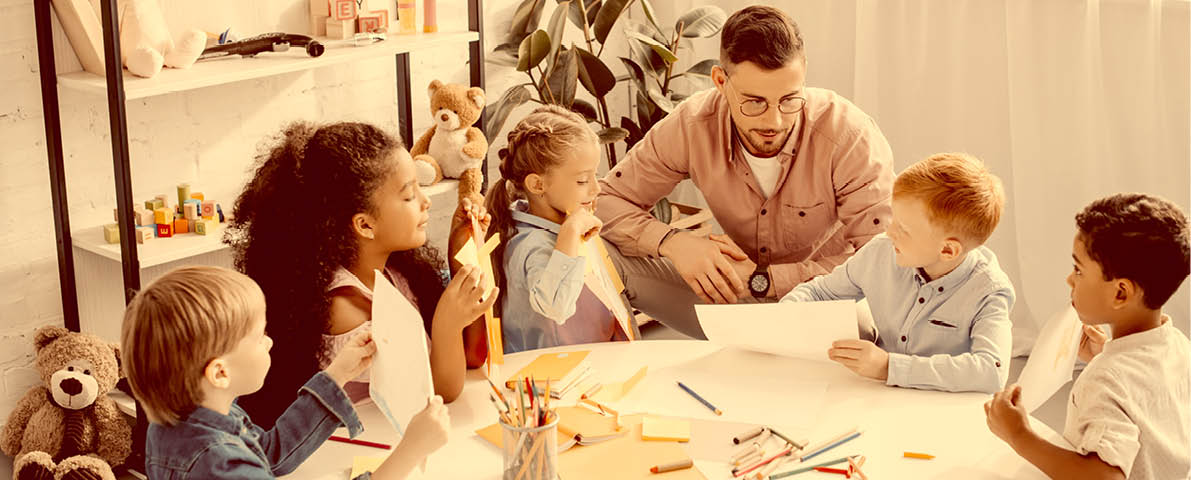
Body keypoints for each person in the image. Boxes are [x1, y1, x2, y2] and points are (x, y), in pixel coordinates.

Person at [596, 5, 894, 339]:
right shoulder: (692, 124)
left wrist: (766, 281)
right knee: (601, 254)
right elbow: (605, 202)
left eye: (789, 100)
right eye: (754, 102)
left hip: (822, 304)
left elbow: (882, 259)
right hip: (731, 297)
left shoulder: (848, 135)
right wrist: (674, 243)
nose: (774, 121)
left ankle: (765, 355)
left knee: (865, 327)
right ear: (721, 81)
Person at [226, 122, 494, 427]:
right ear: (365, 225)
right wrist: (446, 323)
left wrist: (459, 252)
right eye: (408, 196)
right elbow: (439, 393)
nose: (425, 201)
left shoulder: (397, 273)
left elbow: (471, 358)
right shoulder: (345, 308)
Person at [122, 266, 451, 479]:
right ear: (219, 373)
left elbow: (268, 454)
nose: (269, 342)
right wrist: (411, 451)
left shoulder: (184, 417)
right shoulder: (222, 467)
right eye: (258, 336)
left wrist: (338, 373)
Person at [985, 193, 1190, 480]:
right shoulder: (1178, 345)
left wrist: (1019, 435)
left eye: (1078, 270)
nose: (1070, 279)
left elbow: (1104, 477)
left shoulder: (1106, 380)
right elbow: (1148, 400)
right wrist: (1105, 354)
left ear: (1121, 293)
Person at [783, 153, 1014, 393]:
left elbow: (991, 371)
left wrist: (888, 367)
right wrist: (784, 313)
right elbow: (820, 292)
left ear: (947, 250)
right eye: (894, 218)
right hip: (878, 396)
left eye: (903, 228)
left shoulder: (990, 290)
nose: (889, 231)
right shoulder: (879, 253)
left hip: (942, 405)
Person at [485, 106, 637, 353]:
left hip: (593, 362)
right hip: (552, 378)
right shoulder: (531, 244)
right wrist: (570, 233)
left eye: (594, 176)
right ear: (537, 184)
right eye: (582, 180)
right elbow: (555, 307)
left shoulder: (566, 220)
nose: (596, 188)